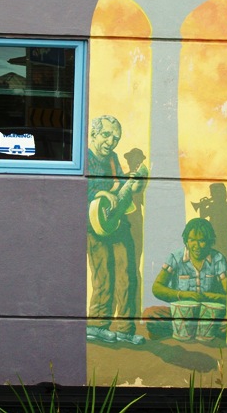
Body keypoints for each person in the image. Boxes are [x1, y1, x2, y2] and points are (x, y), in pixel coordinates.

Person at [86, 115, 147, 345]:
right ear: (93, 134)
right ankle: (97, 326)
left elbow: (119, 186)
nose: (111, 141)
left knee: (127, 272)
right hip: (96, 225)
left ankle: (125, 329)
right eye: (106, 135)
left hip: (118, 222)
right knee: (103, 275)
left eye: (116, 138)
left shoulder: (112, 158)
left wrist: (133, 185)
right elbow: (78, 185)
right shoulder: (85, 158)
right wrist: (99, 192)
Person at [144, 218, 227, 340]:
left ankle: (182, 330)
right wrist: (183, 295)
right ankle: (189, 329)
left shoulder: (218, 259)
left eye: (202, 241)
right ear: (186, 240)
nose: (196, 246)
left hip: (210, 316)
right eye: (192, 240)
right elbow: (157, 288)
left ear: (209, 241)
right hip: (180, 315)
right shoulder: (175, 258)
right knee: (150, 314)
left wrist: (208, 297)